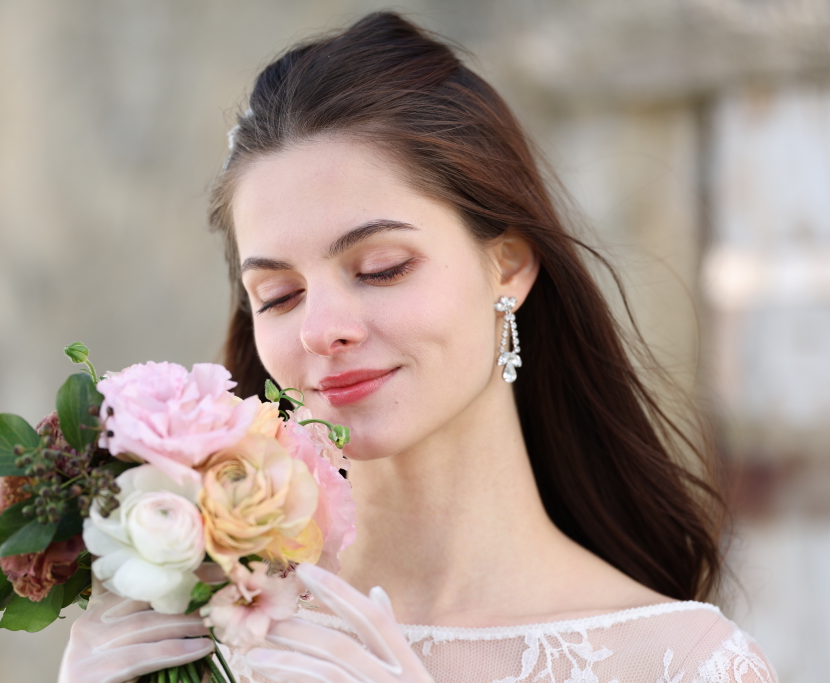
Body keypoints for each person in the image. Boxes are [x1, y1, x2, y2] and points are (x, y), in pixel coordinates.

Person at [59, 12, 777, 683]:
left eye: (382, 268)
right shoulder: (194, 632)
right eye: (278, 295)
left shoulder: (684, 663)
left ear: (510, 264)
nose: (321, 327)